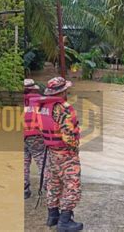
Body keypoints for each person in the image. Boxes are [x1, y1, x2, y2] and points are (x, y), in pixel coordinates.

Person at [34, 77, 83, 231]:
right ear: (62, 92)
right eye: (66, 90)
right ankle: (64, 222)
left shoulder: (42, 107)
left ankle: (52, 216)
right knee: (72, 185)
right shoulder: (63, 108)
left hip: (51, 152)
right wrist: (74, 149)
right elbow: (69, 136)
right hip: (65, 153)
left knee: (53, 183)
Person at [23, 79, 46, 199]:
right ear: (33, 88)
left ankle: (25, 191)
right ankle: (48, 187)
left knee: (24, 163)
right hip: (36, 136)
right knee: (42, 162)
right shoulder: (40, 100)